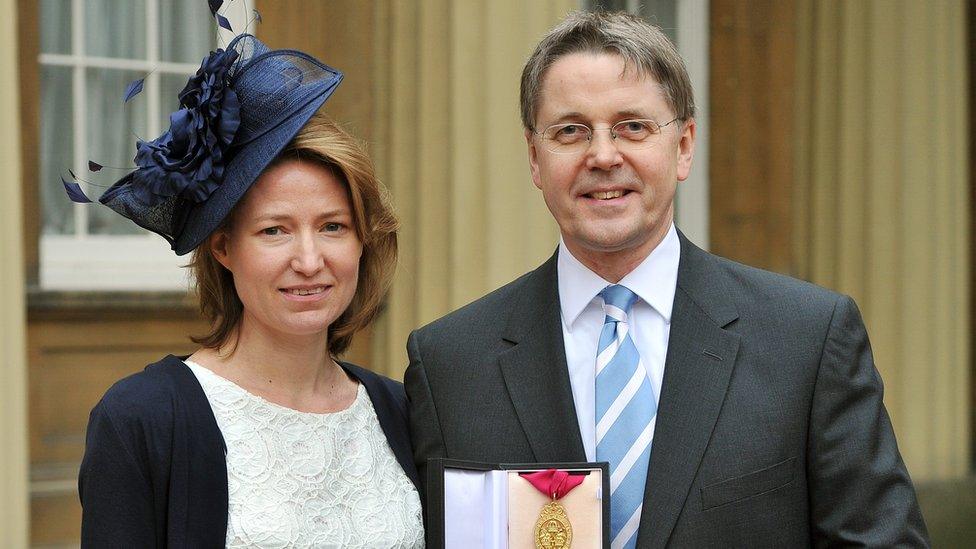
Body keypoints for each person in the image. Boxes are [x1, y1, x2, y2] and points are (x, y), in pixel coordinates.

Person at [405, 11, 928, 548]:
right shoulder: (451, 364)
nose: (603, 156)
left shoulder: (807, 340)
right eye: (571, 131)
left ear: (682, 147)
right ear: (535, 158)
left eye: (633, 126)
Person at [77, 34, 424, 547]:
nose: (309, 261)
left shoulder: (402, 412)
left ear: (362, 243)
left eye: (333, 226)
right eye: (274, 231)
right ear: (223, 249)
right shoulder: (141, 420)